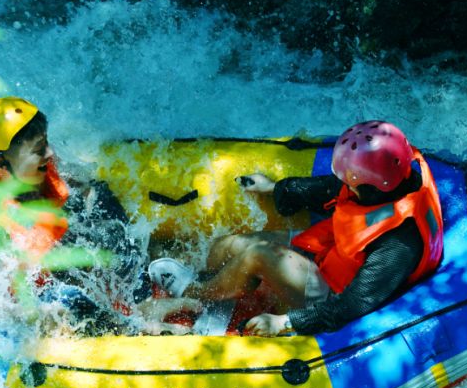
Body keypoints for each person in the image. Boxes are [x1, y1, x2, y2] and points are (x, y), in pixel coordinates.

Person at [147, 120, 444, 336]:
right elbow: (332, 188)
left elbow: (355, 303)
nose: (345, 184)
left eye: (351, 182)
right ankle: (210, 281)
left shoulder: (399, 244)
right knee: (229, 245)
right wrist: (276, 188)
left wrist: (286, 322)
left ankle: (197, 292)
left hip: (334, 292)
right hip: (333, 251)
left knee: (257, 255)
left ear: (372, 187)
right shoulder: (389, 178)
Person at [0, 97, 158, 337]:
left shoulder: (18, 161)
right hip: (26, 297)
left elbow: (80, 187)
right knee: (67, 299)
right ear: (0, 162)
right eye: (39, 149)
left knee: (99, 195)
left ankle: (142, 296)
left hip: (42, 246)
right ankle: (135, 327)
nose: (50, 153)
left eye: (46, 142)